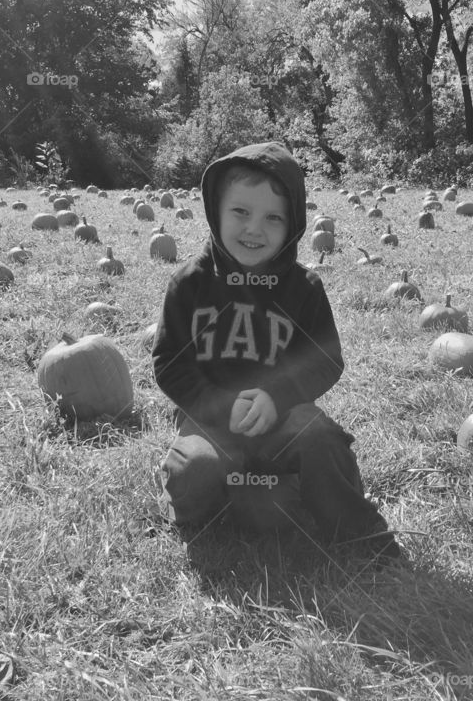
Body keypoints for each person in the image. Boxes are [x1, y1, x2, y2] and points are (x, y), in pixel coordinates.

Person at [151, 141, 399, 558]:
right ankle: (215, 507)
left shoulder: (304, 290)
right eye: (241, 212)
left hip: (283, 416)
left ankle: (357, 532)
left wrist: (278, 396)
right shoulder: (188, 285)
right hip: (210, 419)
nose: (255, 229)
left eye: (273, 218)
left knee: (321, 441)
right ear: (215, 210)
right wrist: (217, 405)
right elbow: (168, 363)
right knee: (197, 469)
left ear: (293, 224)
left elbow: (325, 359)